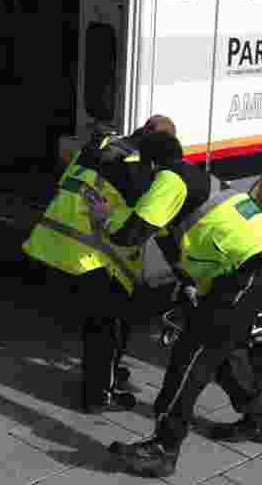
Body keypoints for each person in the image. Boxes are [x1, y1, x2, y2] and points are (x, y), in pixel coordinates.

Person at [104, 132, 262, 478]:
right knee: (224, 349)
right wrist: (188, 282)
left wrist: (103, 220)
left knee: (193, 353)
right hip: (257, 266)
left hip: (250, 268)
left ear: (151, 163)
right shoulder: (192, 179)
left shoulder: (169, 179)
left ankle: (163, 448)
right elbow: (172, 246)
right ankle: (259, 420)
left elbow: (131, 236)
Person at [22, 115, 176, 413]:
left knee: (103, 322)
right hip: (90, 254)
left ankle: (107, 373)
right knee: (109, 326)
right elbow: (146, 219)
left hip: (56, 242)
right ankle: (98, 395)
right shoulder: (134, 164)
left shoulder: (98, 146)